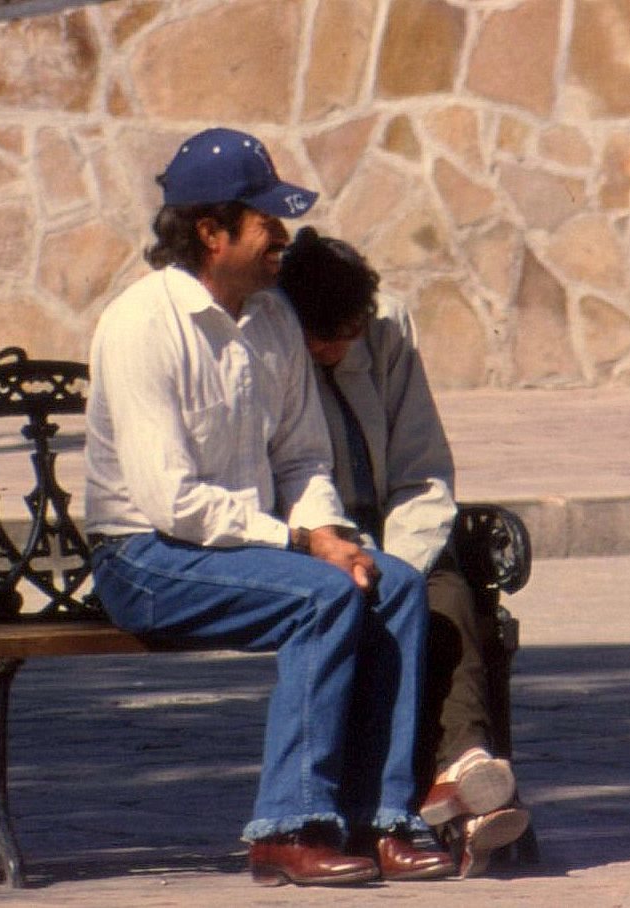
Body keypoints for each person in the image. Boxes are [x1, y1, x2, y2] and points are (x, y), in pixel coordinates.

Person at [84, 127, 455, 887]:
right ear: (211, 232)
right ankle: (289, 828)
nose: (283, 236)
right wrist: (300, 542)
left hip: (242, 547)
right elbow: (171, 502)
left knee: (394, 584)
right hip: (144, 557)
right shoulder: (141, 325)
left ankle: (382, 817)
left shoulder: (273, 318)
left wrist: (330, 533)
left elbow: (301, 458)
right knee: (321, 597)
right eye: (266, 221)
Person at [275, 226, 531, 878]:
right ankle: (462, 791)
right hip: (316, 538)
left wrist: (404, 567)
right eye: (321, 340)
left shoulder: (386, 327)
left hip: (393, 532)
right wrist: (354, 556)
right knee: (395, 603)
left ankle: (464, 769)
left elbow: (421, 468)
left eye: (346, 336)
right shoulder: (269, 340)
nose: (335, 351)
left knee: (442, 595)